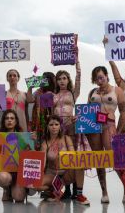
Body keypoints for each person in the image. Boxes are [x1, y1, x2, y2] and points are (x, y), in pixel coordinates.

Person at [87, 66, 125, 203]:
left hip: (109, 125)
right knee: (99, 159)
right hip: (94, 127)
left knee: (113, 158)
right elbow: (87, 110)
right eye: (96, 78)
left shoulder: (117, 90)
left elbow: (123, 111)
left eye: (101, 77)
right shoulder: (92, 92)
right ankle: (104, 191)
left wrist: (120, 129)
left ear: (106, 75)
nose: (99, 80)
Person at [35, 115, 90, 205]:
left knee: (80, 163)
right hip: (52, 174)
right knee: (37, 184)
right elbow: (43, 162)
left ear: (60, 126)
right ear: (47, 127)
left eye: (56, 124)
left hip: (66, 174)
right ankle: (53, 190)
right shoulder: (45, 143)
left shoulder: (66, 138)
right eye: (51, 124)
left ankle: (79, 195)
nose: (54, 127)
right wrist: (36, 177)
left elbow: (73, 156)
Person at [53, 61, 86, 199]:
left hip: (71, 127)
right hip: (57, 129)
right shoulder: (52, 94)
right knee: (61, 157)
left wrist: (77, 62)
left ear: (68, 80)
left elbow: (79, 76)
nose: (62, 81)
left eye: (64, 78)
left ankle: (75, 189)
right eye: (59, 79)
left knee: (73, 157)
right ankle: (65, 189)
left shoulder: (73, 93)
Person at [27, 71, 56, 150]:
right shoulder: (38, 91)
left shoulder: (55, 92)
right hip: (38, 123)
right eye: (44, 79)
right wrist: (30, 86)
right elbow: (29, 100)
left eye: (48, 79)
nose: (46, 81)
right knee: (38, 146)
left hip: (51, 122)